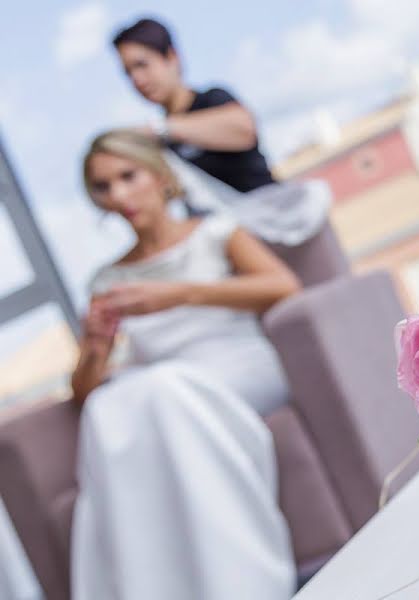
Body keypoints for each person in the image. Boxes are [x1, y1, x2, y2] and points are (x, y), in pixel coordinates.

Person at [69, 129, 299, 599]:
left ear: (157, 174)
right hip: (164, 389)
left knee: (162, 390)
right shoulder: (106, 279)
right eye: (103, 186)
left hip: (237, 364)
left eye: (127, 176)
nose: (118, 195)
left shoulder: (215, 231)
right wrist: (95, 345)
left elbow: (284, 286)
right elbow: (84, 391)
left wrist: (179, 294)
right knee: (105, 409)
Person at [112, 17, 273, 192]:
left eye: (141, 64)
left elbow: (244, 131)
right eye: (128, 72)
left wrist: (160, 129)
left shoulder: (213, 99)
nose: (137, 79)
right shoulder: (159, 143)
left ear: (171, 57)